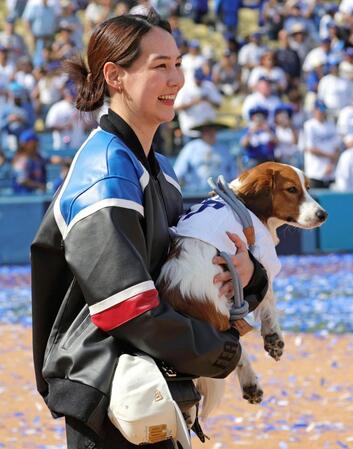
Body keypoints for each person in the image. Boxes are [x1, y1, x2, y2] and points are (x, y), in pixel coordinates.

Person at [31, 10, 269, 449]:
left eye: (178, 64)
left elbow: (186, 267)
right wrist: (222, 350)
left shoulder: (159, 168)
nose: (176, 79)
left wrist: (248, 275)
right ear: (115, 76)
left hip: (153, 389)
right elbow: (127, 307)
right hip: (110, 399)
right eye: (160, 66)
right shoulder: (106, 172)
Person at [173, 121, 236, 192]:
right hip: (195, 194)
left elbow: (233, 173)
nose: (210, 133)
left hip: (221, 194)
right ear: (202, 132)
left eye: (212, 130)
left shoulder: (224, 149)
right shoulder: (191, 147)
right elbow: (178, 172)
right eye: (207, 130)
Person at [302, 99, 340, 188]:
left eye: (323, 110)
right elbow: (310, 148)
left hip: (331, 171)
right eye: (319, 110)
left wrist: (331, 163)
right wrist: (330, 155)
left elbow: (337, 147)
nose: (322, 112)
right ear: (314, 110)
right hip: (315, 171)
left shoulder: (331, 124)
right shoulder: (309, 125)